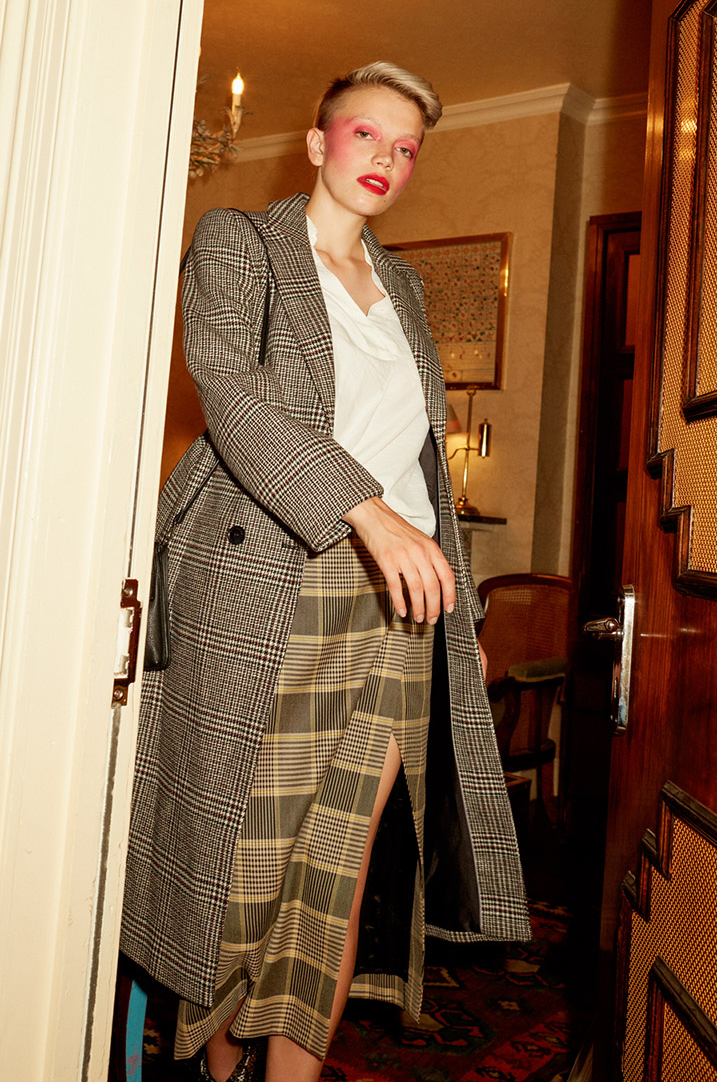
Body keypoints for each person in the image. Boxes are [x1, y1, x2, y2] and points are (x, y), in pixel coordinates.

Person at [120, 62, 529, 1082]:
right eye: (365, 134)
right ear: (317, 143)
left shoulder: (406, 287)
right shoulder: (241, 243)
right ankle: (219, 1070)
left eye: (406, 147)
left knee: (333, 876)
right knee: (242, 870)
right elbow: (233, 395)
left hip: (401, 605)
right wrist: (365, 512)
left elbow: (419, 459)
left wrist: (456, 625)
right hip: (271, 579)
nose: (386, 157)